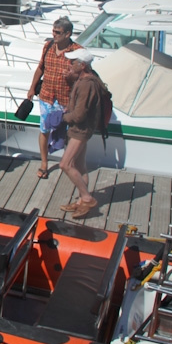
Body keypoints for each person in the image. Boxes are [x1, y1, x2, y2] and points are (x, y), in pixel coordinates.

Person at [26, 16, 81, 179]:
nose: (54, 34)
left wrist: (72, 76)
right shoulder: (48, 46)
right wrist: (32, 88)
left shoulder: (77, 51)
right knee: (44, 130)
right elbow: (40, 68)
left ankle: (68, 163)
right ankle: (44, 163)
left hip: (66, 100)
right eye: (53, 31)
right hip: (46, 96)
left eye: (58, 32)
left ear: (67, 34)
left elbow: (83, 76)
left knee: (68, 133)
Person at [59, 48, 104, 219]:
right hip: (81, 128)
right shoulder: (85, 79)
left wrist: (64, 117)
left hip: (80, 130)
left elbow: (79, 115)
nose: (69, 64)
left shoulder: (86, 84)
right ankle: (80, 202)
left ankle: (87, 198)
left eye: (73, 62)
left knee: (65, 164)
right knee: (79, 165)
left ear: (82, 65)